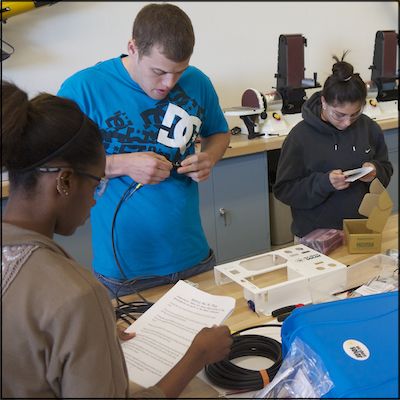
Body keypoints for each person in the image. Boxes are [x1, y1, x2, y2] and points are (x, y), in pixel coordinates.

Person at [1, 81, 233, 399]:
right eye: (98, 183)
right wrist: (197, 357)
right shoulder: (74, 296)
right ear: (65, 181)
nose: (96, 199)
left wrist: (89, 337)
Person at [57, 2, 230, 298]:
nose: (169, 83)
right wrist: (121, 164)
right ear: (133, 48)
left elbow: (219, 133)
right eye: (159, 71)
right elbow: (58, 165)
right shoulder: (83, 88)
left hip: (194, 258)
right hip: (125, 272)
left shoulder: (197, 82)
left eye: (179, 72)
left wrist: (209, 158)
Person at [273, 53, 393, 239]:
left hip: (361, 231)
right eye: (339, 115)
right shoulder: (300, 137)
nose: (347, 123)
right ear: (323, 102)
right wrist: (324, 183)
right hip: (315, 237)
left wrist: (375, 171)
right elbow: (285, 190)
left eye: (354, 114)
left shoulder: (369, 128)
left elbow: (386, 168)